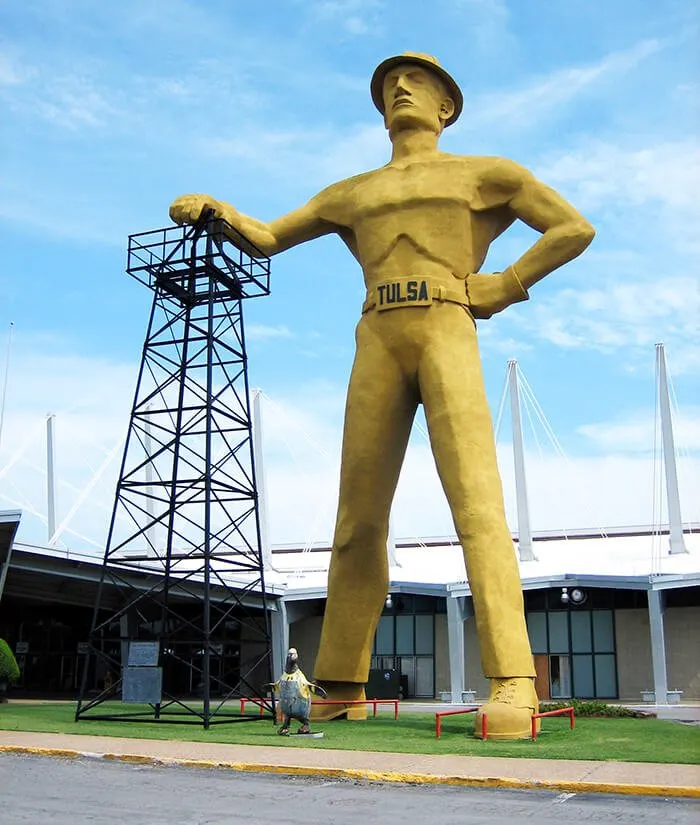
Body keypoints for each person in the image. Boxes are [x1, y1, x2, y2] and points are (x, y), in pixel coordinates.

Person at [170, 52, 595, 739]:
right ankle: (339, 680)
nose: (401, 87)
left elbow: (573, 226)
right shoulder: (354, 191)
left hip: (447, 326)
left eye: (418, 81)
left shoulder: (485, 173)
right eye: (390, 84)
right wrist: (219, 213)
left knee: (477, 504)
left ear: (444, 107)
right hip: (376, 334)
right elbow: (271, 236)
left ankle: (514, 679)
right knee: (356, 517)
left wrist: (506, 283)